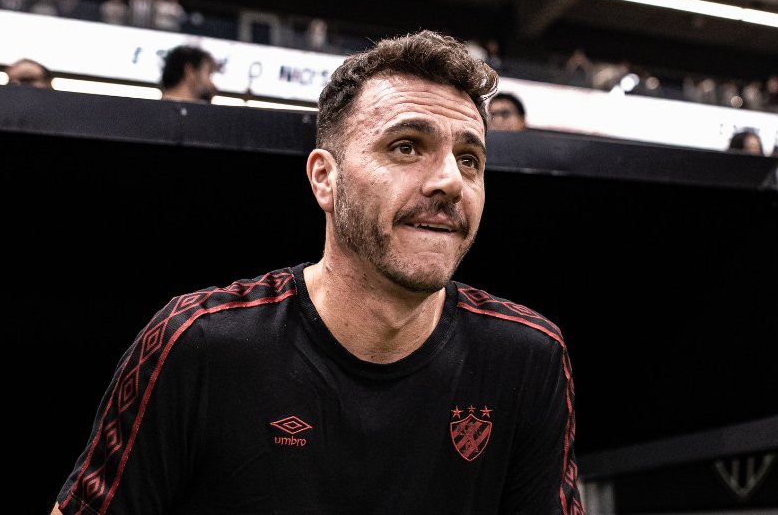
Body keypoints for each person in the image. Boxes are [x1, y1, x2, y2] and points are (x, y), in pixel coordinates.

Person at [50, 30, 583, 515]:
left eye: (470, 159)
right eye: (406, 147)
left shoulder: (529, 355)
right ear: (324, 179)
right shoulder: (199, 342)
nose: (449, 180)